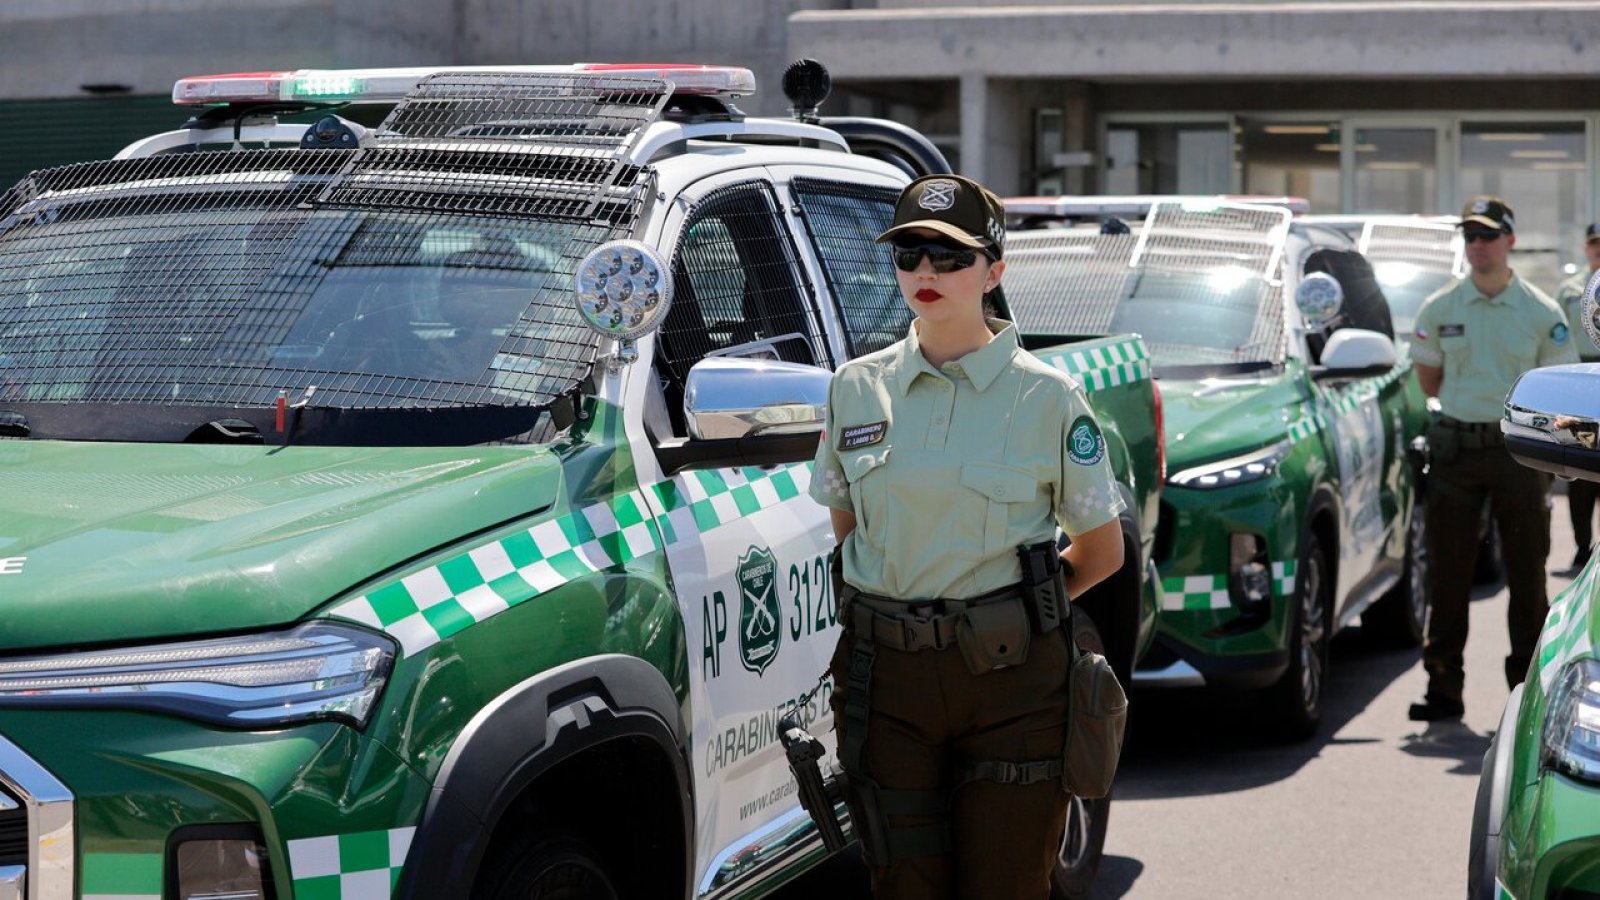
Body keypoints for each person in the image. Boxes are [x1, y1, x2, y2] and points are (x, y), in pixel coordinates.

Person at [808, 174, 1125, 899]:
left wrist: (1015, 612)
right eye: (910, 253)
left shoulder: (1048, 397)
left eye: (951, 257)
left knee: (1008, 885)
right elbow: (853, 529)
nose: (926, 272)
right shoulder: (856, 386)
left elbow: (1103, 551)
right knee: (903, 885)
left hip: (1012, 684)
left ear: (994, 271)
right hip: (885, 681)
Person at [1406, 196, 1579, 722]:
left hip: (1518, 453)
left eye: (1487, 235)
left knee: (1527, 578)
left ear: (1510, 241)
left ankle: (1525, 695)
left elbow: (1558, 390)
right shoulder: (1440, 308)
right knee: (1448, 575)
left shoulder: (1541, 313)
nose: (1477, 245)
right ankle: (1443, 687)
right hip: (1456, 450)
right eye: (1469, 237)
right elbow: (1430, 380)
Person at [1553, 223, 1600, 570]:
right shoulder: (1569, 290)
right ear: (1586, 248)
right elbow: (1556, 339)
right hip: (1581, 381)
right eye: (1594, 244)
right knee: (1580, 469)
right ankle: (1583, 547)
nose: (1599, 249)